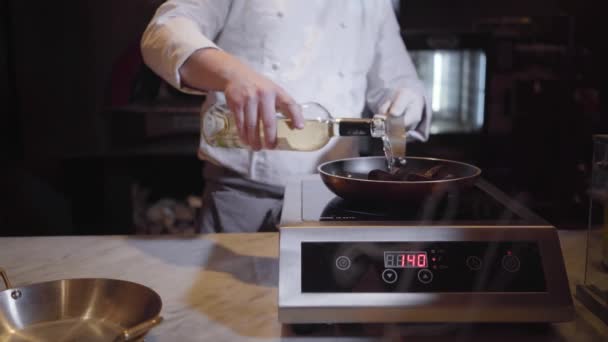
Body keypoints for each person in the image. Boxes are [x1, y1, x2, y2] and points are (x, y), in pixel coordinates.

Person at [141, 0, 431, 233]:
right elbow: (165, 31)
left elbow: (399, 79)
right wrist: (233, 74)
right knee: (221, 301)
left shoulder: (375, 4)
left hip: (332, 196)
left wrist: (407, 100)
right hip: (240, 195)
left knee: (317, 303)